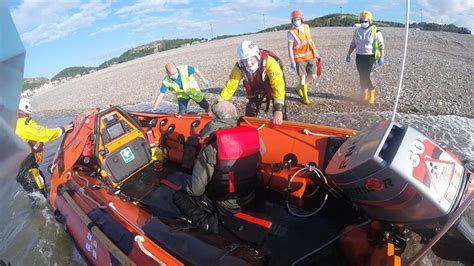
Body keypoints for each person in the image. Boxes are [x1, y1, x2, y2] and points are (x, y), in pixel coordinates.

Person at [173, 101, 265, 232]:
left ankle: (207, 223)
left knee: (179, 196)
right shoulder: (254, 135)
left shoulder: (212, 146)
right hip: (249, 193)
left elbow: (196, 189)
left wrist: (184, 186)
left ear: (215, 118)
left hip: (226, 204)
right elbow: (262, 152)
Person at [15, 98, 73, 197]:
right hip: (27, 172)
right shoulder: (23, 123)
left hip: (19, 172)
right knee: (41, 197)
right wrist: (62, 129)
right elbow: (44, 134)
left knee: (35, 194)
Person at [218, 40, 286, 125]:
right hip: (255, 86)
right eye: (245, 61)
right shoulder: (239, 67)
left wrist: (278, 109)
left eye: (251, 59)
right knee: (250, 109)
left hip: (272, 85)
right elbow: (231, 85)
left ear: (257, 56)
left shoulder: (270, 62)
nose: (249, 64)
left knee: (281, 113)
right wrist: (219, 102)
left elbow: (278, 85)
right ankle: (249, 127)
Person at [345, 10, 385, 105]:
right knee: (361, 75)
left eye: (366, 21)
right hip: (359, 56)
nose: (363, 22)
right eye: (362, 20)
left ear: (370, 21)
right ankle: (364, 93)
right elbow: (353, 44)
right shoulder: (357, 31)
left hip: (370, 57)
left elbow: (381, 45)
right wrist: (348, 54)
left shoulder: (375, 31)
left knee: (367, 75)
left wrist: (382, 57)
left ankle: (372, 94)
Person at [287, 10, 320, 105]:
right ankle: (305, 98)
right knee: (302, 79)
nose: (297, 21)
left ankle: (299, 88)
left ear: (302, 19)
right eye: (294, 20)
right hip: (300, 59)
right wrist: (292, 61)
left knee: (313, 75)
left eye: (298, 19)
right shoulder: (291, 32)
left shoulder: (306, 27)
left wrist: (316, 53)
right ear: (292, 21)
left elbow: (311, 41)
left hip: (311, 56)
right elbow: (289, 47)